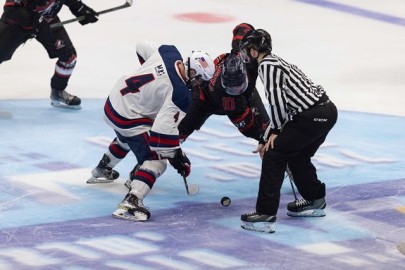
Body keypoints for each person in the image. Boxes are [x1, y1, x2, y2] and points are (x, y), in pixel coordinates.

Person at [87, 41, 215, 221]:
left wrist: (150, 85)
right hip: (126, 116)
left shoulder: (169, 53)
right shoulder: (180, 95)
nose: (199, 84)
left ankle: (103, 168)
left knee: (130, 137)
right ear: (193, 73)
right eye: (200, 79)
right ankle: (131, 203)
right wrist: (177, 157)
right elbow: (160, 137)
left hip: (113, 101)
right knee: (157, 161)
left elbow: (141, 46)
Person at [239, 28, 338, 233]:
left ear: (255, 51)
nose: (246, 54)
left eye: (248, 49)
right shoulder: (275, 62)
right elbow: (285, 110)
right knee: (297, 156)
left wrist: (274, 131)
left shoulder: (266, 66)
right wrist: (267, 136)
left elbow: (276, 103)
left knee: (274, 155)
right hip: (324, 113)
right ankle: (314, 199)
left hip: (312, 116)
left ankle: (265, 214)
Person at [0, 0, 99, 109]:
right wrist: (34, 21)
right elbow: (10, 9)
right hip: (16, 25)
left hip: (46, 20)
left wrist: (79, 8)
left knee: (68, 56)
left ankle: (58, 92)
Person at [178, 52, 269, 147]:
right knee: (178, 133)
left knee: (267, 132)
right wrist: (263, 138)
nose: (237, 90)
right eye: (232, 88)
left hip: (222, 92)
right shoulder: (231, 102)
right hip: (203, 101)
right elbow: (248, 128)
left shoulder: (243, 58)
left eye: (238, 86)